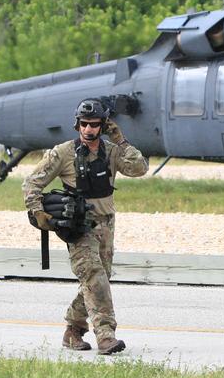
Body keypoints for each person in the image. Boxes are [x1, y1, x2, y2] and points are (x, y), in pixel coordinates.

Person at [23, 98, 148, 355]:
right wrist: (38, 213)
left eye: (94, 124)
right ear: (77, 124)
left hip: (106, 225)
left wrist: (121, 140)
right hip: (79, 227)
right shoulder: (63, 152)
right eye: (84, 124)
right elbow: (31, 183)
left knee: (99, 280)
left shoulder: (112, 151)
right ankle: (105, 335)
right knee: (94, 276)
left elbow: (139, 168)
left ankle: (73, 329)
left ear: (103, 125)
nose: (88, 129)